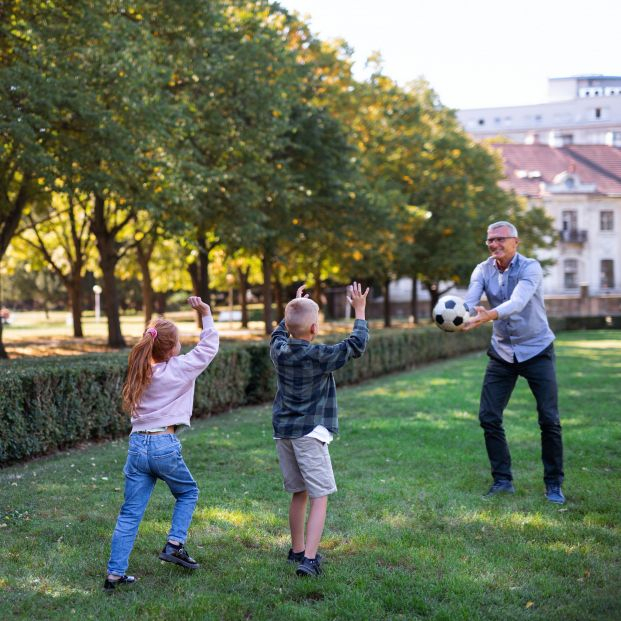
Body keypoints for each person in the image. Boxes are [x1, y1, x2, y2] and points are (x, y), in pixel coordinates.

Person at [104, 296, 219, 591]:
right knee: (188, 492)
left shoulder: (140, 372)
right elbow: (208, 348)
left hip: (137, 447)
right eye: (178, 342)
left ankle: (114, 574)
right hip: (163, 445)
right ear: (171, 348)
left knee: (130, 513)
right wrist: (205, 314)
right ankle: (174, 544)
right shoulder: (178, 368)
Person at [270, 282, 369, 577]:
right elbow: (355, 345)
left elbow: (278, 332)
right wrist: (360, 310)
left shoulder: (279, 351)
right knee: (319, 495)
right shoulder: (320, 355)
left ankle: (297, 549)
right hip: (310, 433)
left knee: (298, 492)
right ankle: (309, 560)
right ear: (314, 329)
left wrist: (293, 306)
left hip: (284, 432)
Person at [463, 221, 565, 504]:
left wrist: (488, 315)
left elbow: (518, 302)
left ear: (515, 241)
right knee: (489, 416)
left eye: (500, 239)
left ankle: (554, 484)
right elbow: (470, 300)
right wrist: (460, 316)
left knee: (549, 419)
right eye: (490, 241)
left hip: (537, 349)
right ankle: (502, 481)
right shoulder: (482, 269)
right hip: (503, 353)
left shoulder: (530, 267)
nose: (494, 245)